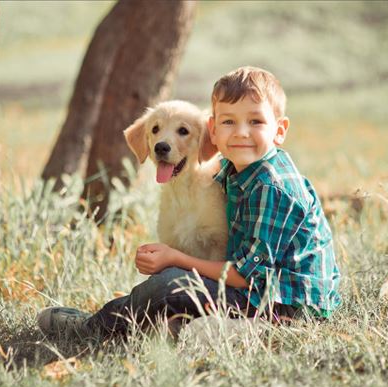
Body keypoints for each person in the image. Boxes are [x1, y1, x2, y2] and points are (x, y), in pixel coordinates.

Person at [37, 66, 341, 340]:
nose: (241, 132)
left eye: (255, 121)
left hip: (285, 307)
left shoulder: (272, 186)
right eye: (228, 122)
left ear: (279, 130)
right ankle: (193, 325)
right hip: (256, 293)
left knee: (170, 284)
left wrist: (174, 259)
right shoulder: (234, 172)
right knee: (171, 284)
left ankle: (93, 327)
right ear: (214, 130)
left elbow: (246, 276)